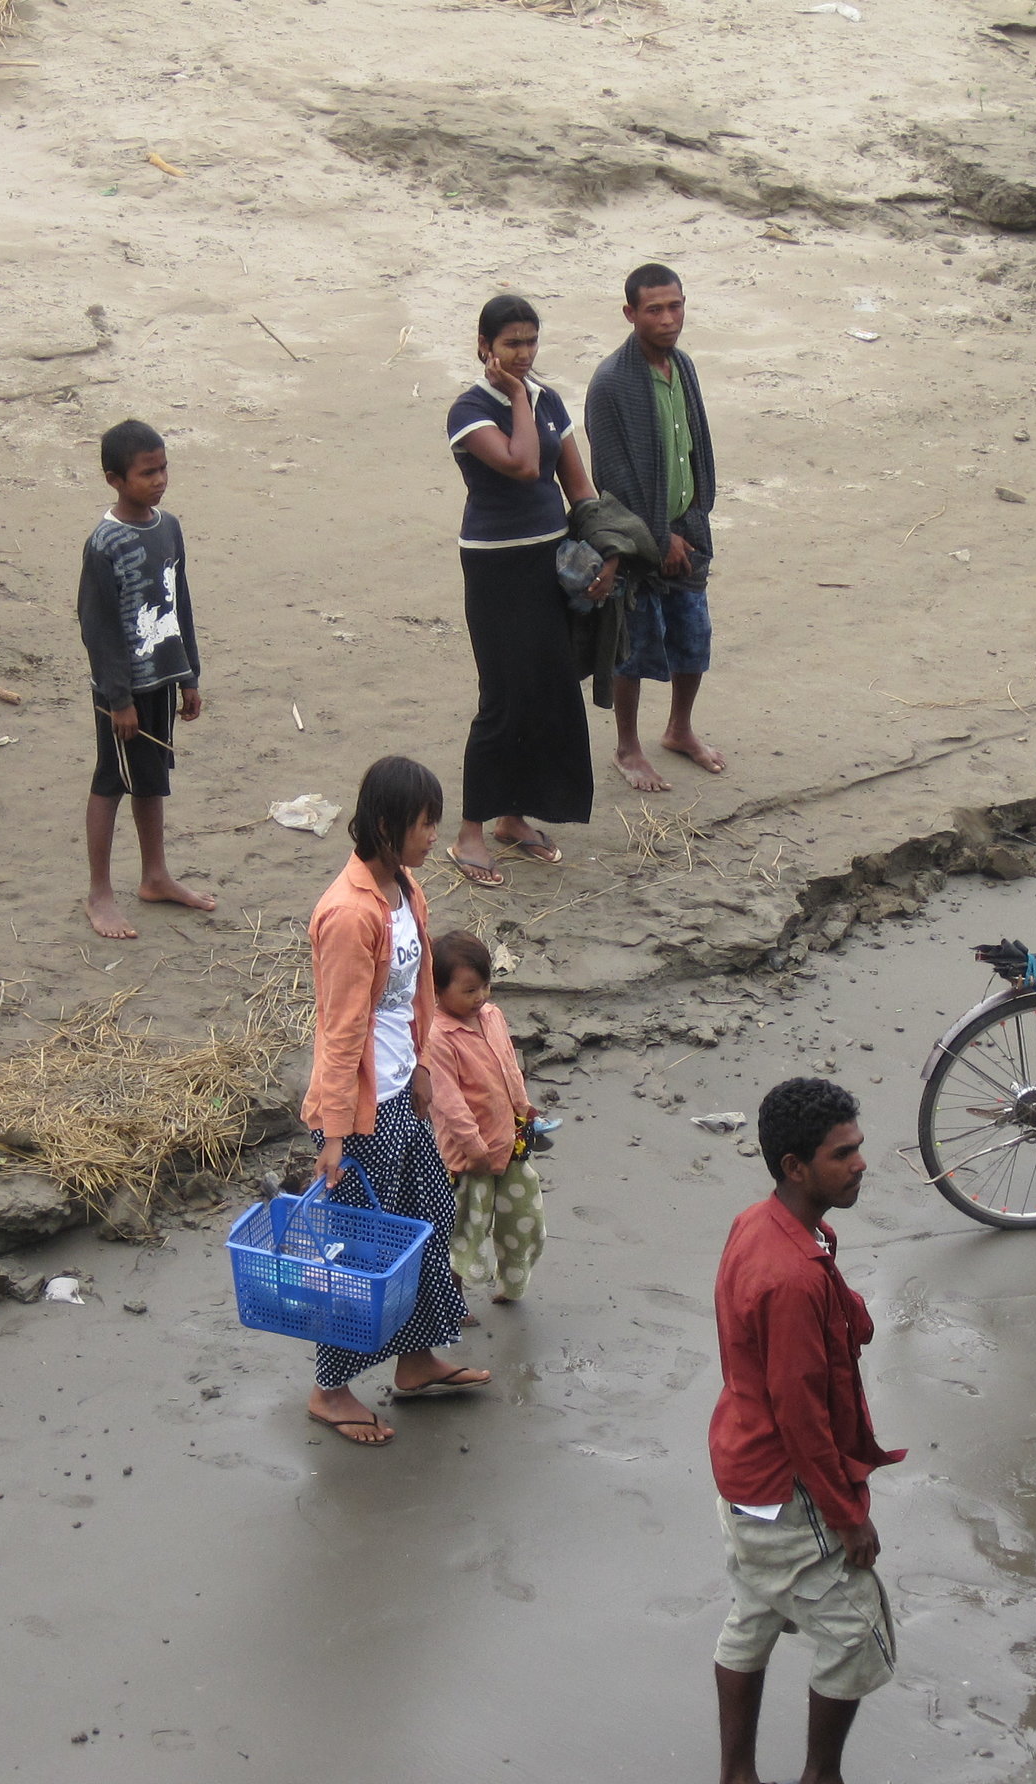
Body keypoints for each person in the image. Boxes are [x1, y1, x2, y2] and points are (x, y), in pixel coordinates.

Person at [705, 1077, 913, 1784]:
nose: (862, 1163)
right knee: (857, 1632)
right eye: (844, 1154)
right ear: (796, 1165)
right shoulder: (792, 1275)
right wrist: (847, 1516)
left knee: (754, 1610)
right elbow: (802, 1415)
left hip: (741, 1469)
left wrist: (842, 1299)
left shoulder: (765, 1229)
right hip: (786, 1485)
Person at [301, 756, 488, 1445]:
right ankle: (330, 1389)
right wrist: (332, 1133)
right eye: (423, 823)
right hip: (358, 1114)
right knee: (361, 1249)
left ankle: (415, 1359)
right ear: (386, 826)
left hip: (398, 1094)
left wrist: (420, 1069)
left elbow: (411, 995)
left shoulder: (405, 890)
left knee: (426, 1220)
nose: (433, 835)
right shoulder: (349, 915)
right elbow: (340, 1026)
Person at [443, 295, 599, 889]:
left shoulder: (549, 400)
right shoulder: (470, 409)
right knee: (502, 697)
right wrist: (515, 396)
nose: (524, 354)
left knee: (546, 688)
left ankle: (514, 817)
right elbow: (523, 465)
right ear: (484, 347)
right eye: (512, 344)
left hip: (548, 562)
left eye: (531, 342)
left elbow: (577, 485)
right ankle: (469, 833)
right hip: (496, 568)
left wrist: (609, 550)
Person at [584, 263, 723, 793]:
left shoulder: (681, 367)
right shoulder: (612, 383)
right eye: (655, 309)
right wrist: (659, 539)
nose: (669, 319)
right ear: (631, 314)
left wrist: (692, 520)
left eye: (676, 306)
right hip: (641, 537)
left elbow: (694, 447)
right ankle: (627, 746)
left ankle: (679, 728)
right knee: (634, 643)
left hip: (690, 524)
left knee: (693, 633)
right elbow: (612, 475)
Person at [76, 419, 214, 940]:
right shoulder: (104, 544)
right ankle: (99, 893)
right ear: (115, 478)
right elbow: (99, 628)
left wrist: (189, 675)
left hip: (162, 675)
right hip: (123, 690)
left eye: (163, 469)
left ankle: (155, 876)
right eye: (146, 472)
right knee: (111, 780)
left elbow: (178, 602)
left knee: (151, 776)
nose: (158, 480)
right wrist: (118, 699)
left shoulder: (168, 526)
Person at [422, 928, 547, 1303]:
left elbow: (510, 1068)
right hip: (467, 1157)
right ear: (437, 991)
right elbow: (448, 1102)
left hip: (510, 1142)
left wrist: (525, 1112)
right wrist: (474, 1149)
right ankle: (452, 1301)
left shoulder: (492, 1016)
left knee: (523, 1221)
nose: (481, 997)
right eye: (469, 990)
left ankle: (511, 1285)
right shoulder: (438, 1037)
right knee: (465, 1232)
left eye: (484, 986)